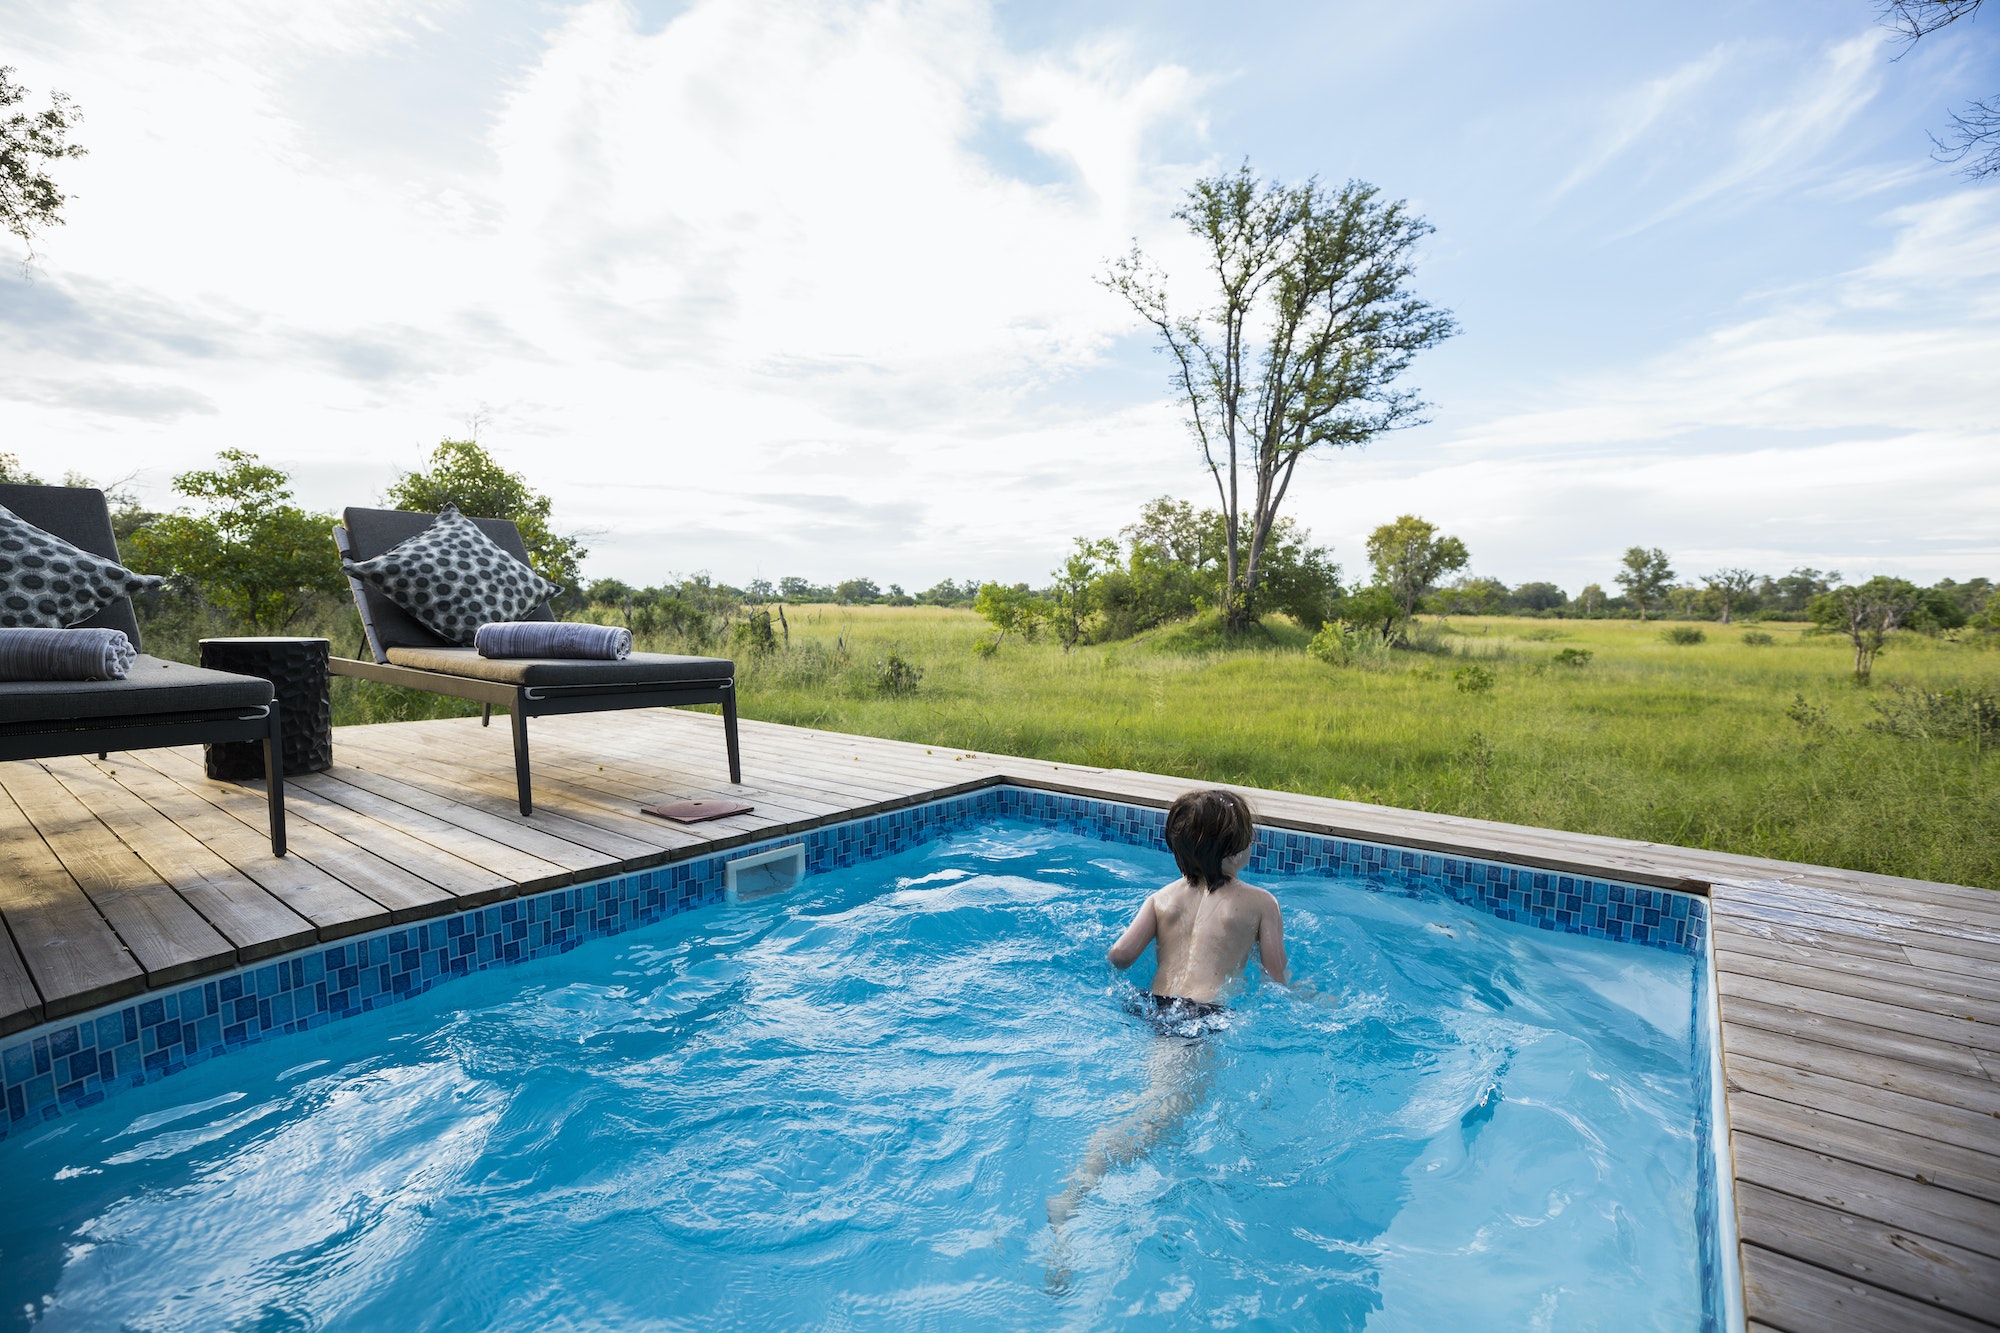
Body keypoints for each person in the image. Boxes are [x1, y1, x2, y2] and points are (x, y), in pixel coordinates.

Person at [1046, 788, 1290, 1234]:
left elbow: (1120, 955)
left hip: (1147, 1007)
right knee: (1163, 1110)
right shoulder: (1261, 903)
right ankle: (1078, 1186)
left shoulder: (1161, 898)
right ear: (1235, 852)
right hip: (1201, 1017)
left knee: (1161, 1096)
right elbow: (1277, 978)